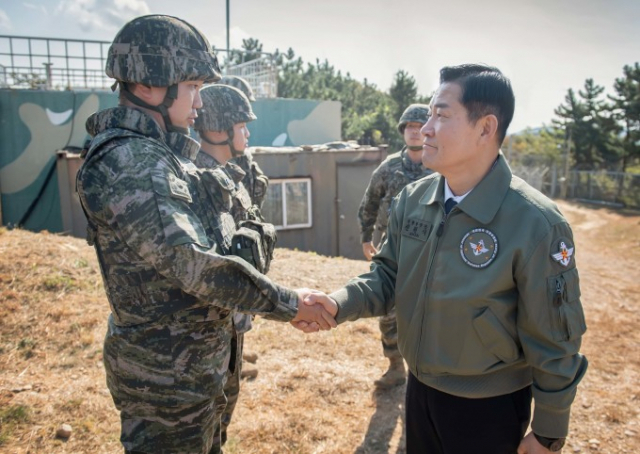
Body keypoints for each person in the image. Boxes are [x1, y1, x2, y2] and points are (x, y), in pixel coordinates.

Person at [76, 15, 336, 454]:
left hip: (192, 371)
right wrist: (290, 303)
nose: (200, 102)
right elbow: (193, 264)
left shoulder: (160, 155)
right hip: (165, 385)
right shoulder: (130, 162)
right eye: (193, 86)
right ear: (148, 85)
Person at [302, 64, 588, 454]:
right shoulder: (414, 199)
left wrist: (549, 430)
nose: (426, 129)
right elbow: (388, 276)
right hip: (420, 390)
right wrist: (338, 302)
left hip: (488, 409)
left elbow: (555, 339)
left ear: (486, 128)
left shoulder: (536, 223)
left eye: (441, 115)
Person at [192, 83, 267, 448]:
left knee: (224, 414)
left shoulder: (230, 177)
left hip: (233, 324)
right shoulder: (196, 182)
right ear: (220, 129)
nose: (248, 133)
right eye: (242, 125)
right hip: (205, 333)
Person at [357, 103, 432, 389]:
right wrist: (366, 238)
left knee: (430, 312)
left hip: (431, 252)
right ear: (403, 131)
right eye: (409, 127)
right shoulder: (388, 167)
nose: (414, 132)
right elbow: (369, 204)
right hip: (393, 250)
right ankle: (395, 366)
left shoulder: (441, 165)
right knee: (388, 310)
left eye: (419, 126)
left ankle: (425, 372)